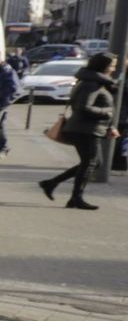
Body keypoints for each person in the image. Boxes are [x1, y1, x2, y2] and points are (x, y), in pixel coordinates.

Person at [41, 51, 121, 210]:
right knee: (91, 162)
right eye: (111, 66)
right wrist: (107, 113)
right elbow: (83, 107)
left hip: (88, 128)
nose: (113, 69)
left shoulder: (95, 80)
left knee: (92, 163)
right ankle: (74, 197)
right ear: (103, 66)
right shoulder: (92, 83)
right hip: (84, 130)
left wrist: (109, 125)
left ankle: (53, 184)